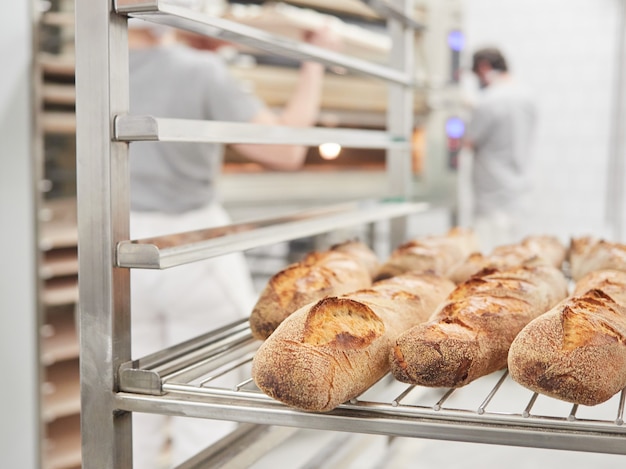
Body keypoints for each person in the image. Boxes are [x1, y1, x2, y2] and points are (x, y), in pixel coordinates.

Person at [126, 18, 340, 469]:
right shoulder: (199, 70)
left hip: (118, 249)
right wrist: (315, 61)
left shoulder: (94, 68)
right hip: (188, 249)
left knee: (132, 406)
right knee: (205, 407)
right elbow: (285, 151)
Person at [463, 47, 537, 253]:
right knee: (516, 258)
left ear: (484, 67)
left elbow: (468, 141)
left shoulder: (488, 101)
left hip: (492, 193)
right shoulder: (527, 96)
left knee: (492, 262)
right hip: (519, 188)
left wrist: (467, 109)